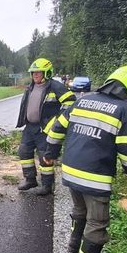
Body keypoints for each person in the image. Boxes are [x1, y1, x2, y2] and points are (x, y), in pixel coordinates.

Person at [43, 65, 127, 253]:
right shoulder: (126, 112)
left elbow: (56, 128)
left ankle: (74, 244)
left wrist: (50, 154)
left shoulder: (83, 101)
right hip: (95, 176)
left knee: (80, 209)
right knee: (98, 221)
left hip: (71, 171)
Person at [15, 58, 76, 196]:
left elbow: (71, 102)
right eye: (33, 73)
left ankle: (47, 185)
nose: (35, 75)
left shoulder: (55, 86)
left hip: (45, 129)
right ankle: (30, 179)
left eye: (38, 72)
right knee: (24, 151)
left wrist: (58, 121)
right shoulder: (30, 87)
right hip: (30, 127)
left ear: (47, 73)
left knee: (44, 155)